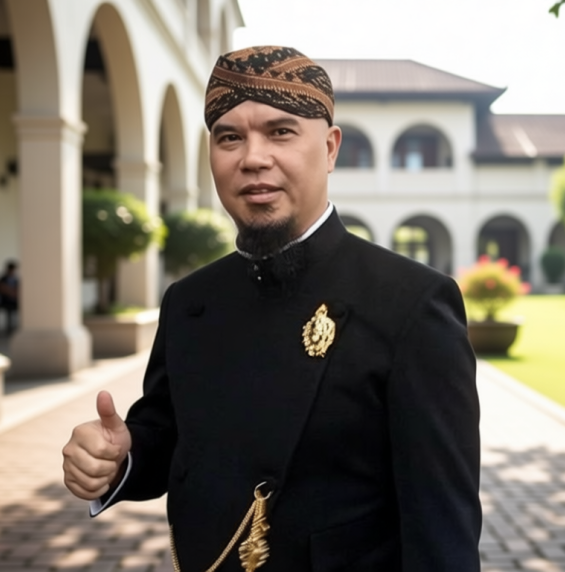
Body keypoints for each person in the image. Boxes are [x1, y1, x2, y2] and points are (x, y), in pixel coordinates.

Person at [61, 46, 481, 572]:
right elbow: (172, 439)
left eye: (280, 132)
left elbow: (442, 533)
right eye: (229, 138)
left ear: (330, 148)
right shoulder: (189, 301)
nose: (253, 158)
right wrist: (119, 458)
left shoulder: (411, 302)